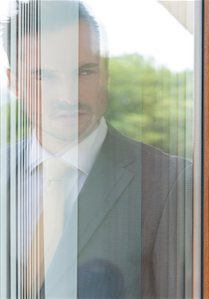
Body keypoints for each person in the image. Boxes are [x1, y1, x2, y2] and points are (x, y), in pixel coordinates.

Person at [1, 1, 190, 298]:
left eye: (84, 72)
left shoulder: (172, 181)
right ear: (14, 83)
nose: (68, 96)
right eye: (44, 76)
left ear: (105, 73)